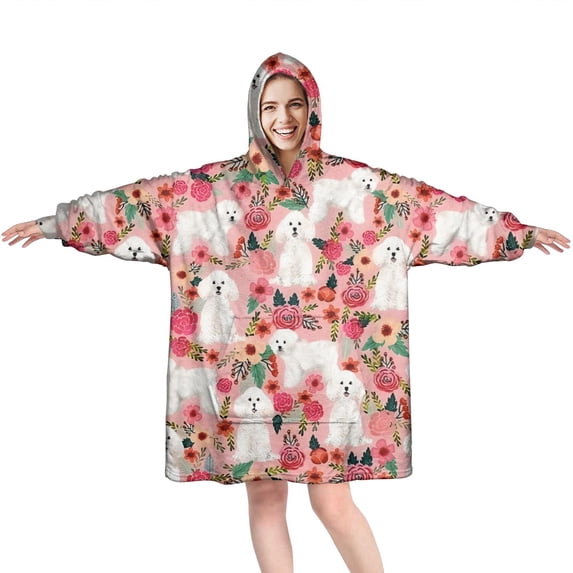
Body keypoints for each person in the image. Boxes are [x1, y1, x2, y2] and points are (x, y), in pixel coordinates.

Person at [2, 53, 569, 573]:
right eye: (270, 106)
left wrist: (513, 233)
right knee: (265, 496)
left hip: (328, 375)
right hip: (250, 373)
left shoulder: (356, 186)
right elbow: (138, 204)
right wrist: (59, 224)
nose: (283, 118)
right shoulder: (212, 190)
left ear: (313, 108)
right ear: (255, 111)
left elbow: (432, 210)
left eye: (295, 104)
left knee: (332, 501)